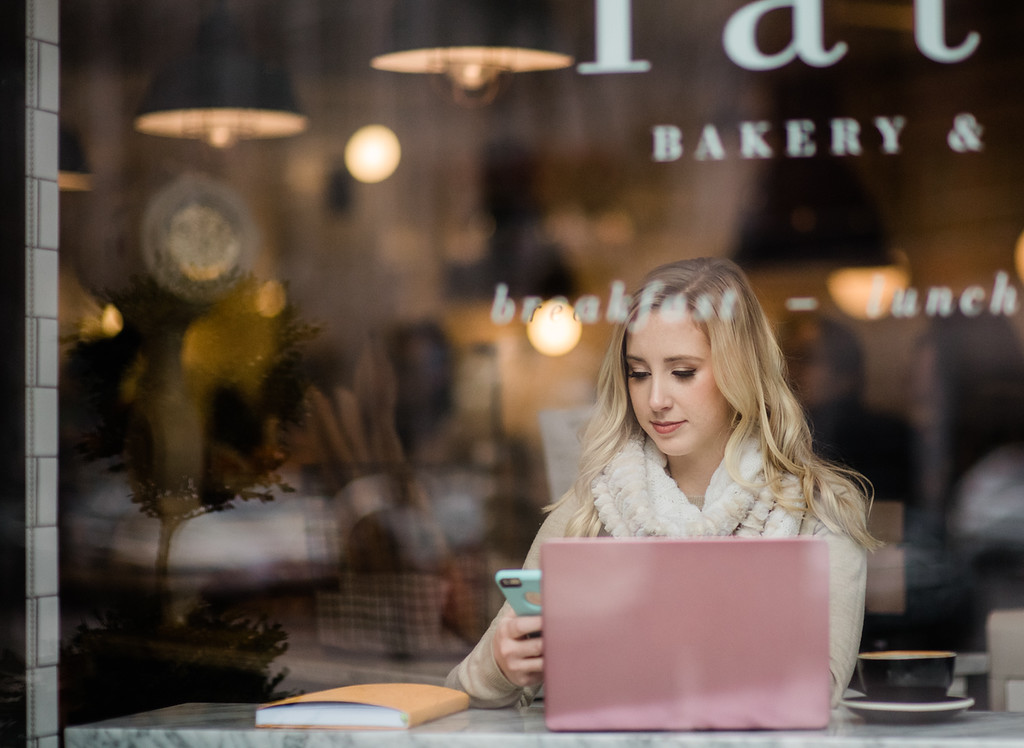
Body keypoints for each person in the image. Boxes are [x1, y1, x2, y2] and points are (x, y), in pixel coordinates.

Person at [446, 257, 879, 708]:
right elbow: (459, 694)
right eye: (639, 373)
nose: (655, 400)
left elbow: (821, 689)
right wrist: (502, 667)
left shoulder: (818, 507)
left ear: (742, 370)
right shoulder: (593, 506)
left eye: (683, 372)